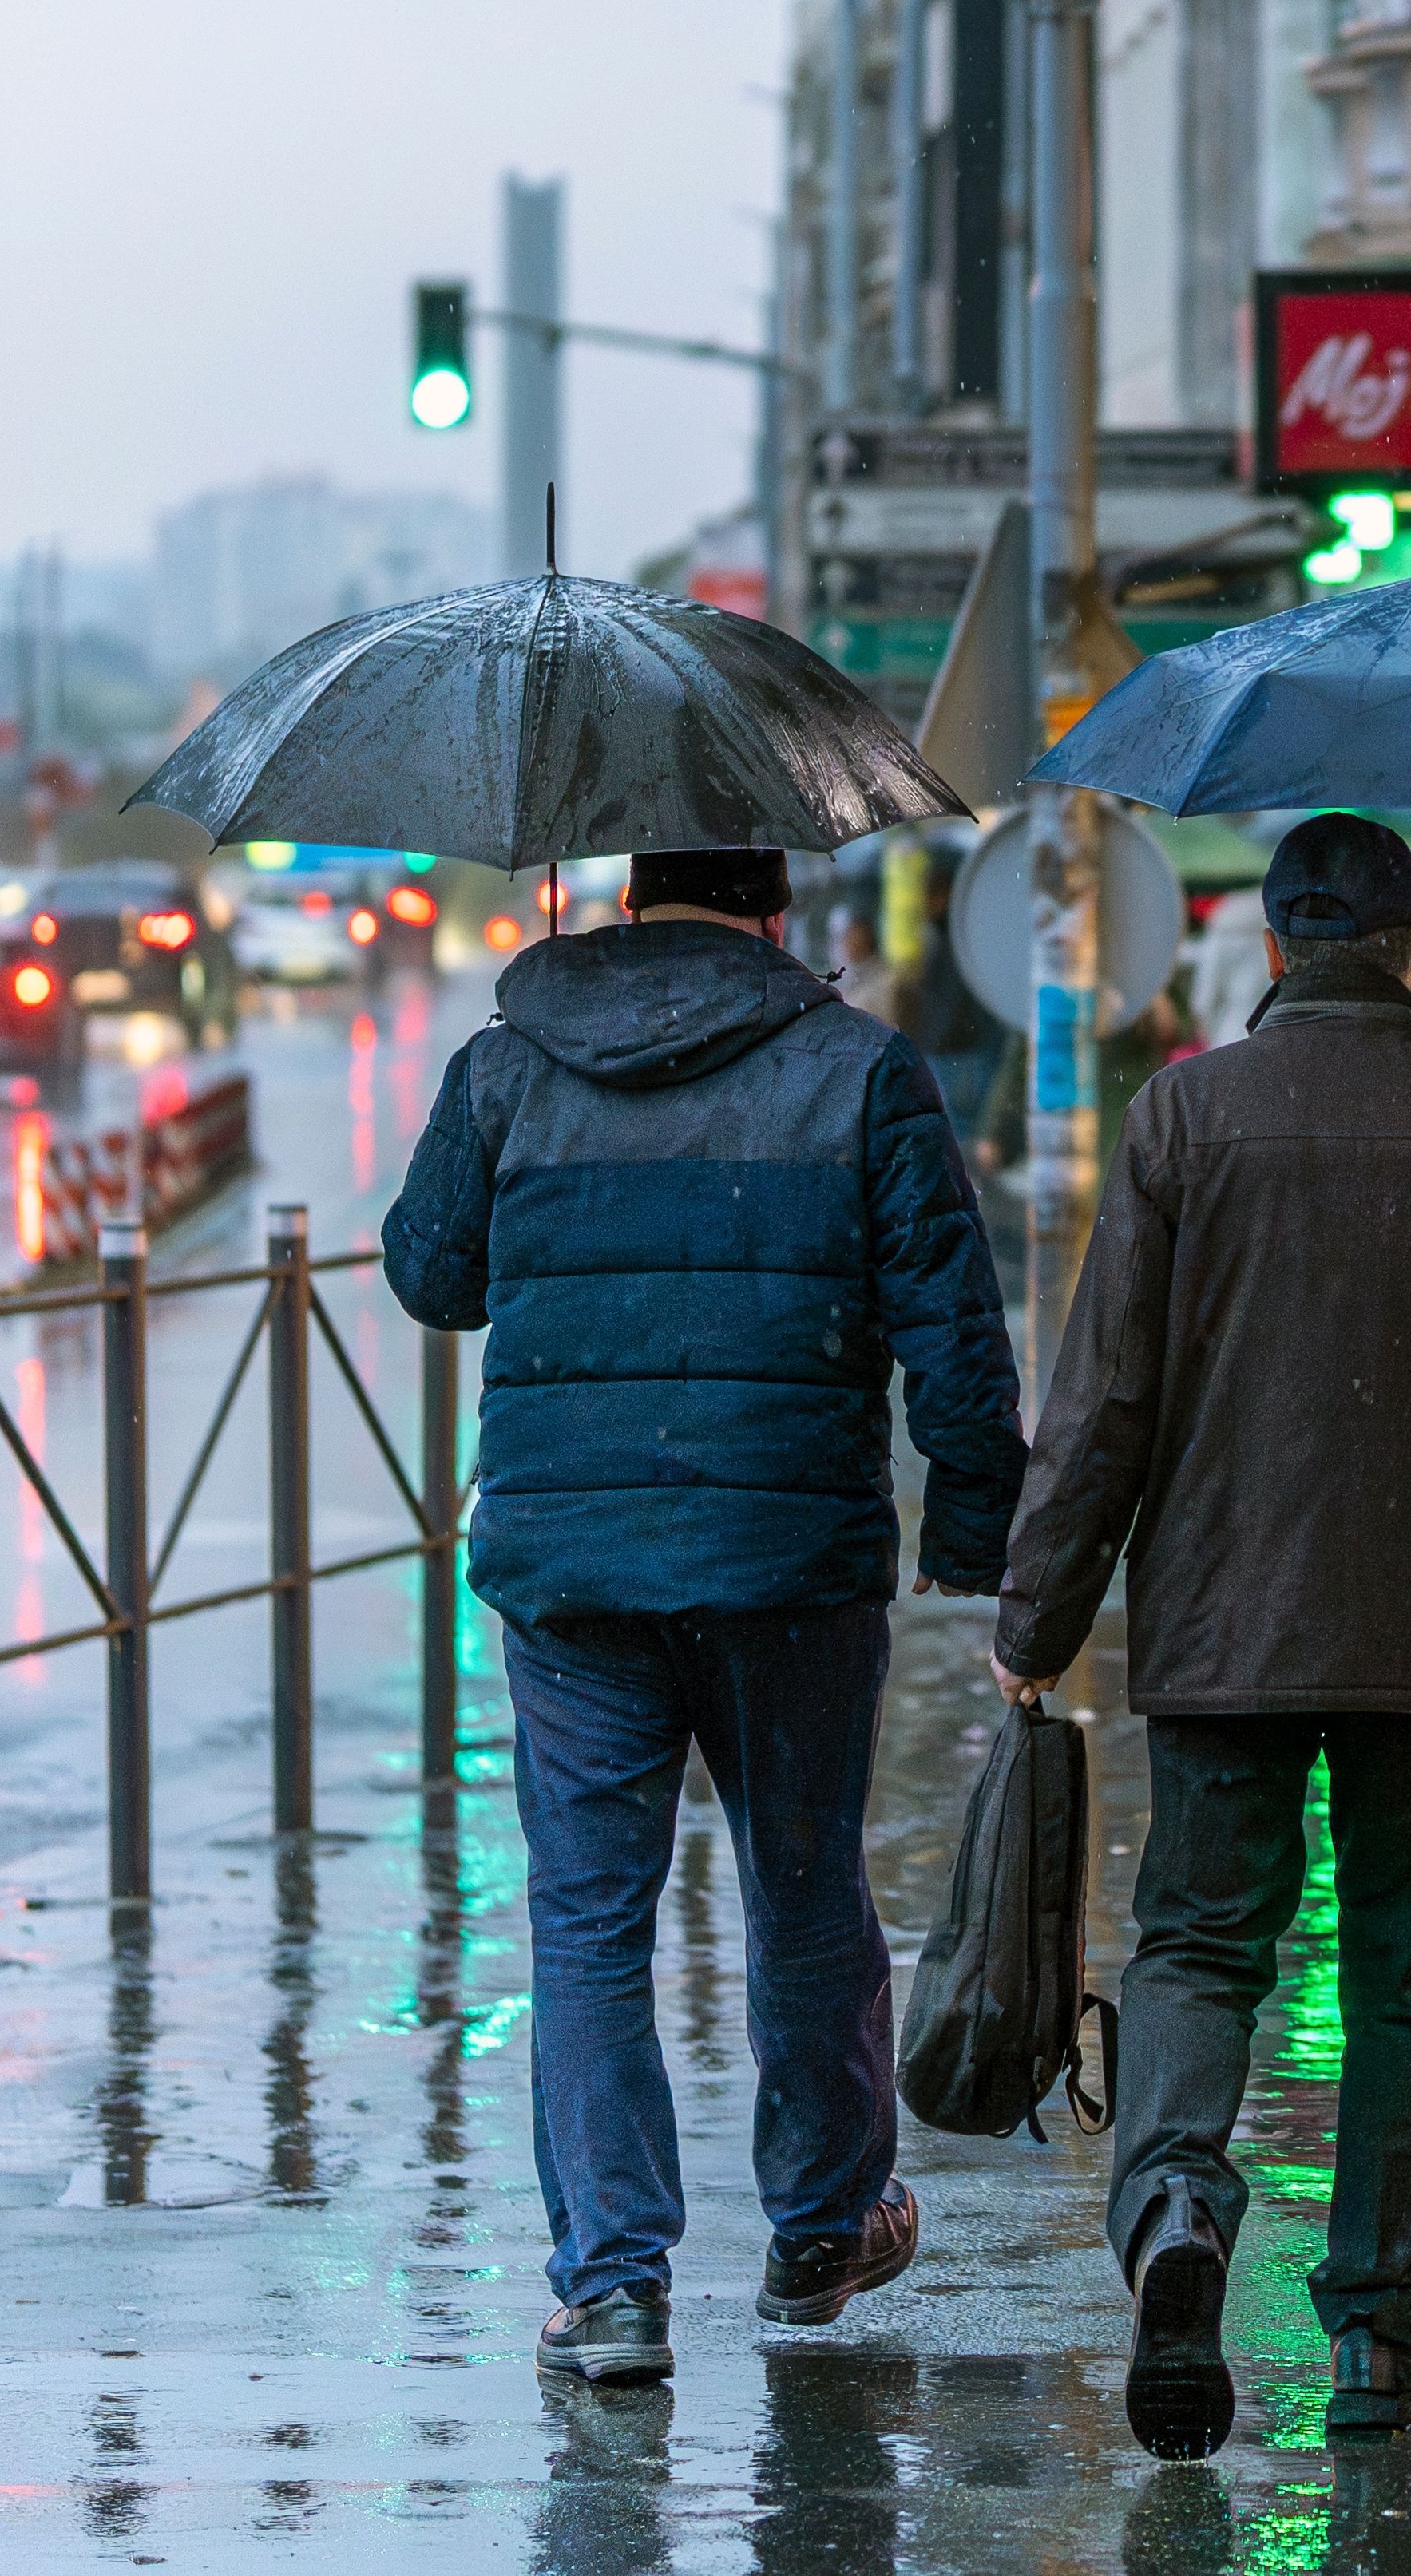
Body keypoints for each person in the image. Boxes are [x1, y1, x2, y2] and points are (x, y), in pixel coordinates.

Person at [992, 811, 1411, 2459]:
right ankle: (1376, 2340)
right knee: (1407, 1983)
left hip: (1224, 1620)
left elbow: (1105, 1400)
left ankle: (1176, 2211)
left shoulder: (1182, 1115)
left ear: (1273, 948)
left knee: (1203, 1947)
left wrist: (1035, 1617)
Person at [384, 843, 1027, 2388]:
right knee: (804, 1890)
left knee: (588, 1921)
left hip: (573, 1572)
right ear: (777, 912)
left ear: (621, 902)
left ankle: (614, 2283)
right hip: (786, 1559)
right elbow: (954, 1327)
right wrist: (972, 1528)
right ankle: (821, 2224)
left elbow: (429, 1273)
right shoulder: (861, 1071)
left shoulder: (506, 1065)